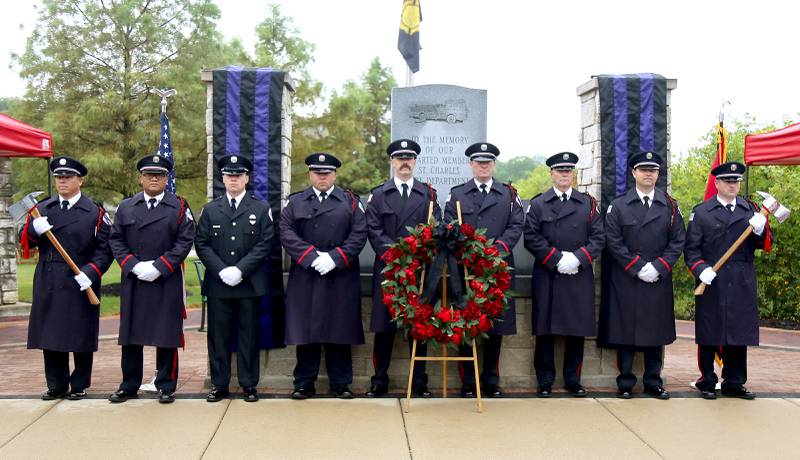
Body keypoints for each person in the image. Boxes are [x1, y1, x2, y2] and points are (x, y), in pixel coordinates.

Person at [21, 157, 113, 400]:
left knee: (80, 331)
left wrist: (92, 273)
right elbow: (25, 243)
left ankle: (80, 383)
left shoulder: (95, 211)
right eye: (59, 177)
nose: (62, 181)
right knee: (50, 333)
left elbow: (105, 249)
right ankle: (56, 384)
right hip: (49, 277)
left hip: (79, 277)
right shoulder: (43, 209)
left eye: (68, 177)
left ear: (80, 180)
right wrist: (32, 229)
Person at [108, 155, 195, 404]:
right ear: (141, 178)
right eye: (149, 174)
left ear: (167, 179)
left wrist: (160, 266)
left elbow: (184, 240)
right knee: (131, 335)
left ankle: (166, 385)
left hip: (164, 278)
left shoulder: (179, 207)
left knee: (166, 333)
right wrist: (132, 266)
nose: (154, 178)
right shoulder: (126, 207)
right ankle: (129, 384)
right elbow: (116, 240)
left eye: (159, 175)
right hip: (135, 278)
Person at [280, 153, 367, 399]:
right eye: (317, 172)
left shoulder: (350, 202)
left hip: (340, 275)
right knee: (306, 332)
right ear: (309, 174)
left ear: (334, 175)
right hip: (307, 275)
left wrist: (335, 258)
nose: (322, 176)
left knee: (340, 330)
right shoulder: (295, 202)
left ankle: (341, 383)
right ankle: (304, 383)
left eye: (327, 172)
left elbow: (360, 233)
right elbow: (286, 232)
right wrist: (311, 257)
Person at [601, 151, 685, 399]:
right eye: (644, 169)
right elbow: (613, 241)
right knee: (625, 331)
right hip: (627, 278)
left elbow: (678, 240)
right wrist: (637, 267)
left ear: (658, 174)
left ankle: (653, 381)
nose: (649, 174)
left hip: (657, 278)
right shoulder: (618, 206)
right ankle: (625, 382)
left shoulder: (670, 206)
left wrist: (659, 266)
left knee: (655, 331)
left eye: (653, 170)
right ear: (633, 173)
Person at [684, 161, 771, 400]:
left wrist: (760, 229)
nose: (733, 186)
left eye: (736, 182)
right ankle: (707, 380)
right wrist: (700, 269)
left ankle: (734, 382)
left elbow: (763, 244)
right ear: (717, 183)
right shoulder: (701, 212)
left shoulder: (750, 210)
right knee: (709, 332)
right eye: (728, 181)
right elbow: (691, 250)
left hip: (741, 279)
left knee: (738, 332)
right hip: (712, 279)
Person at [444, 142, 524, 398]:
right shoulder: (457, 194)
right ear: (471, 165)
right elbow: (448, 224)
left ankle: (491, 380)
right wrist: (469, 251)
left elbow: (516, 225)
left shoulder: (509, 194)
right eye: (479, 162)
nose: (483, 166)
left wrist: (495, 250)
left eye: (488, 162)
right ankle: (468, 382)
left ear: (494, 165)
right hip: (465, 269)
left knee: (495, 326)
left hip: (497, 269)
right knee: (466, 325)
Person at [524, 152, 605, 398]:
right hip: (549, 275)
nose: (564, 175)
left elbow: (599, 238)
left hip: (577, 275)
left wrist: (577, 259)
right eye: (560, 171)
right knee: (545, 331)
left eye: (568, 171)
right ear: (551, 174)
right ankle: (545, 380)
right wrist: (556, 259)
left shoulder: (588, 204)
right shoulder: (538, 204)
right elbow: (531, 237)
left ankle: (573, 379)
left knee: (576, 331)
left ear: (573, 174)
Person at [195, 155, 273, 403]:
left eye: (238, 175)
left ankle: (249, 384)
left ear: (247, 178)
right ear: (223, 178)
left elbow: (265, 243)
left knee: (248, 336)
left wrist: (240, 270)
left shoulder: (260, 209)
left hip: (248, 283)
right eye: (229, 175)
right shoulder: (210, 209)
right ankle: (220, 385)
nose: (234, 179)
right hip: (219, 285)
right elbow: (202, 243)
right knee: (218, 337)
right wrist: (221, 270)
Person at [365, 139, 439, 398]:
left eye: (409, 158)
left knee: (418, 325)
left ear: (415, 162)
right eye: (400, 158)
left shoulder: (428, 194)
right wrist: (397, 256)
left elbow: (435, 228)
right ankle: (379, 380)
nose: (405, 162)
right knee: (384, 328)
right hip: (389, 269)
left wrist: (414, 255)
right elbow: (373, 229)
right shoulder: (379, 194)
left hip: (419, 270)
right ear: (392, 162)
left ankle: (419, 382)